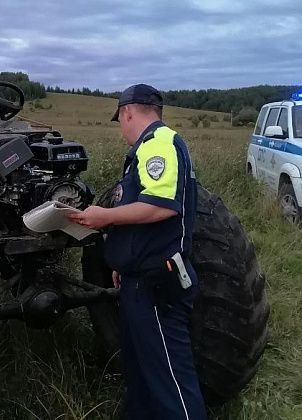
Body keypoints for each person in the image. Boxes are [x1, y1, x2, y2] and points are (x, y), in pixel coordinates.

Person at [66, 84, 207, 420]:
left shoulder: (159, 143)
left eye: (120, 120)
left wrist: (104, 217)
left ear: (128, 112)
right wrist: (123, 261)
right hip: (136, 280)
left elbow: (161, 206)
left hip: (157, 283)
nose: (121, 127)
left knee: (170, 380)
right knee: (141, 375)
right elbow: (140, 214)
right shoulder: (145, 150)